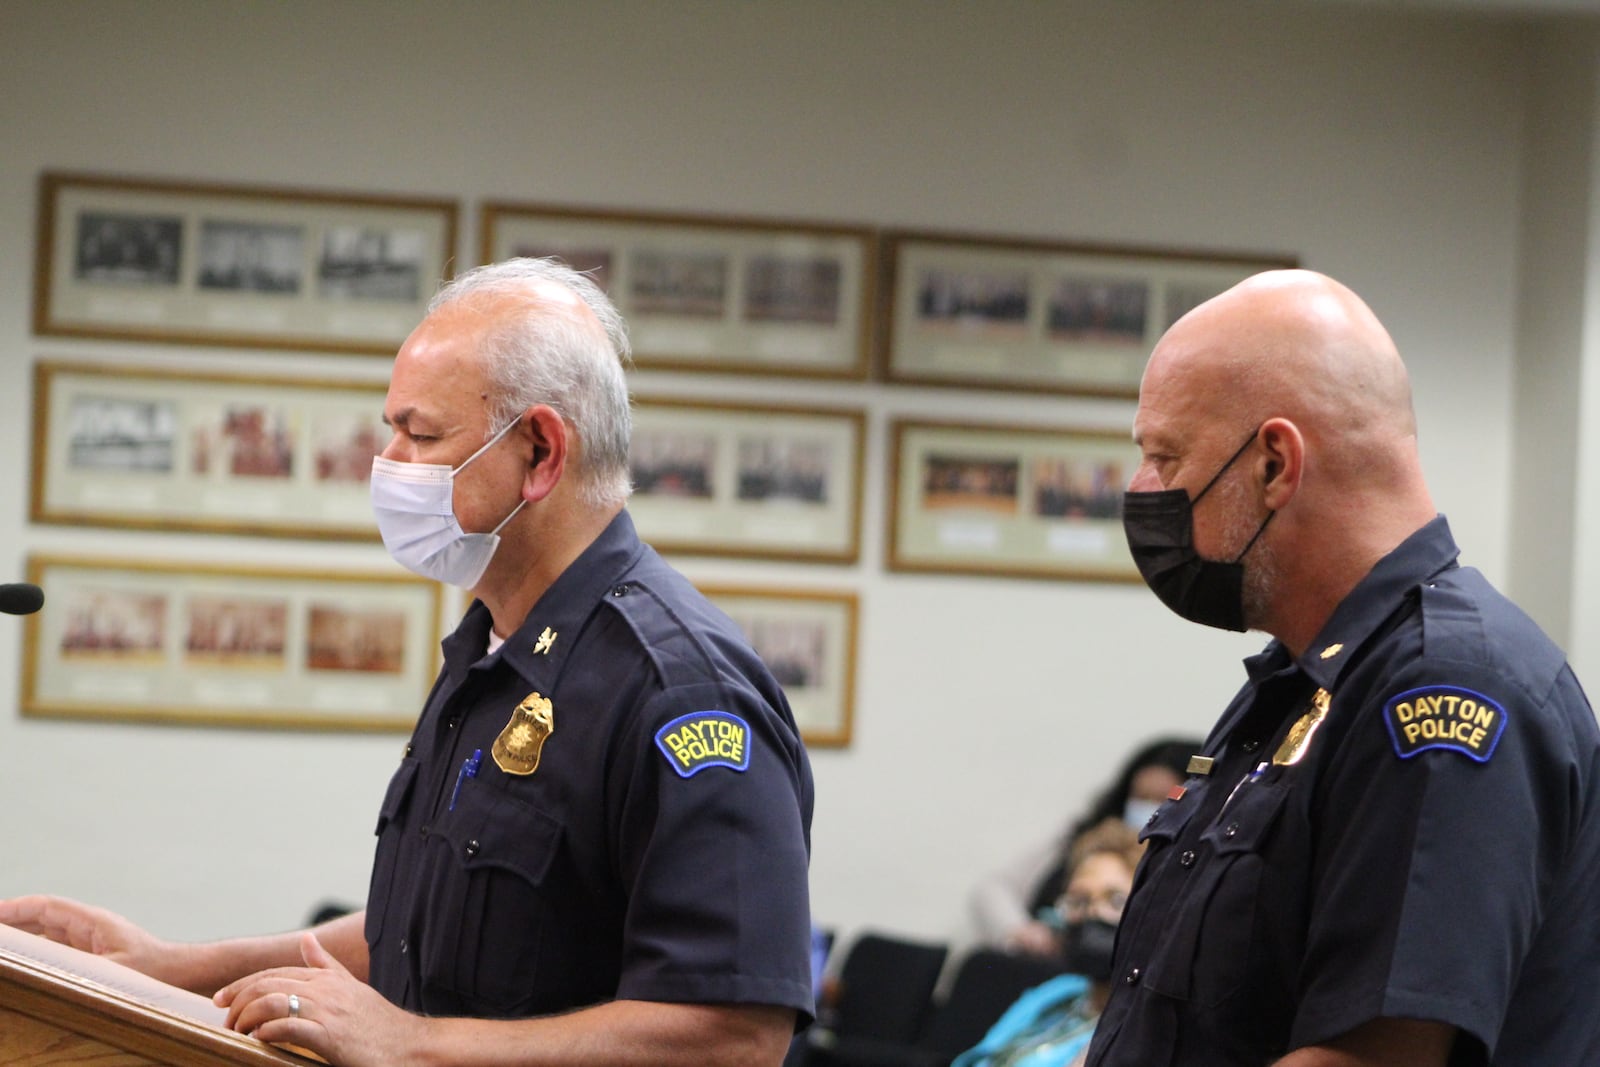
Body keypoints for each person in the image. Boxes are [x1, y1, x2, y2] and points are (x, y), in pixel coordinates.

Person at [0, 257, 815, 1067]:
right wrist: (174, 966)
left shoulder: (680, 686)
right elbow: (427, 921)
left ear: (540, 452)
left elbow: (732, 1035)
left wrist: (413, 1044)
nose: (386, 463)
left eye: (420, 434)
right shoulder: (493, 648)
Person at [1086, 269, 1600, 1066]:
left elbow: (1372, 1056)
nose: (1141, 489)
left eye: (1165, 455)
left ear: (1274, 464)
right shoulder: (1300, 686)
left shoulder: (1447, 691)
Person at [969, 737, 1197, 957]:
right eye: (1140, 796)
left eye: (1163, 798)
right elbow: (993, 889)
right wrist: (1020, 931)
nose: (1148, 808)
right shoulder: (1082, 839)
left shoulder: (1189, 869)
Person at [953, 818, 1145, 1067]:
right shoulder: (1058, 992)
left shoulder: (1141, 1028)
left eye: (1115, 901)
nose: (1091, 914)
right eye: (1079, 900)